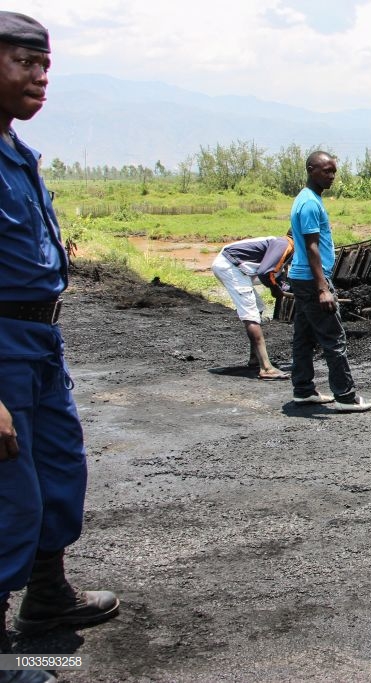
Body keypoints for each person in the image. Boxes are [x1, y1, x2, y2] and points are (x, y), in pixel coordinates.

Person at [0, 11, 118, 680]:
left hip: (39, 338)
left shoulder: (15, 152)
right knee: (8, 492)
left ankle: (46, 602)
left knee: (57, 473)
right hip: (2, 344)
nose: (39, 77)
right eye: (22, 62)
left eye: (45, 65)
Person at [287, 151, 371, 412]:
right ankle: (345, 396)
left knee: (304, 337)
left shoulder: (307, 199)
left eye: (334, 172)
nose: (331, 176)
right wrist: (323, 288)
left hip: (302, 278)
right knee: (334, 338)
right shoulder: (309, 204)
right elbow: (312, 246)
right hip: (311, 279)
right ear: (310, 169)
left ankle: (303, 390)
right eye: (326, 171)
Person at [211, 235, 293, 380]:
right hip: (231, 266)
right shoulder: (285, 244)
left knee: (258, 307)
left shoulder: (284, 245)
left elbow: (276, 273)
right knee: (251, 314)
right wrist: (274, 290)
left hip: (233, 265)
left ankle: (255, 358)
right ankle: (266, 368)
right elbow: (265, 272)